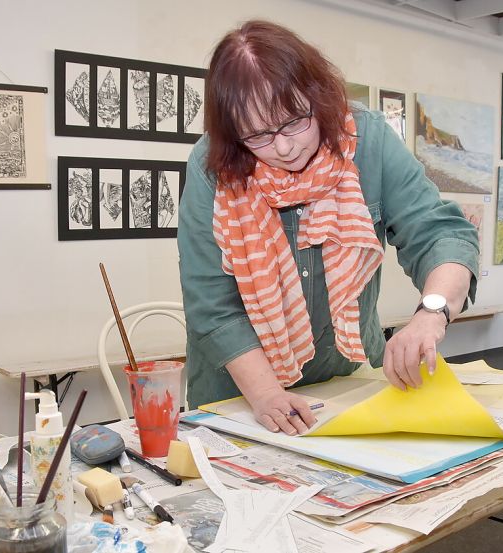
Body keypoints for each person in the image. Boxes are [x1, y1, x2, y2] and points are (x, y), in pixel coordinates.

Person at [177, 21, 479, 436]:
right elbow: (211, 303)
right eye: (259, 135)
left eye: (293, 123)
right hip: (240, 397)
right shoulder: (214, 165)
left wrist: (432, 313)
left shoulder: (368, 139)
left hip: (349, 383)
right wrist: (266, 394)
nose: (283, 147)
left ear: (318, 97)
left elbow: (439, 232)